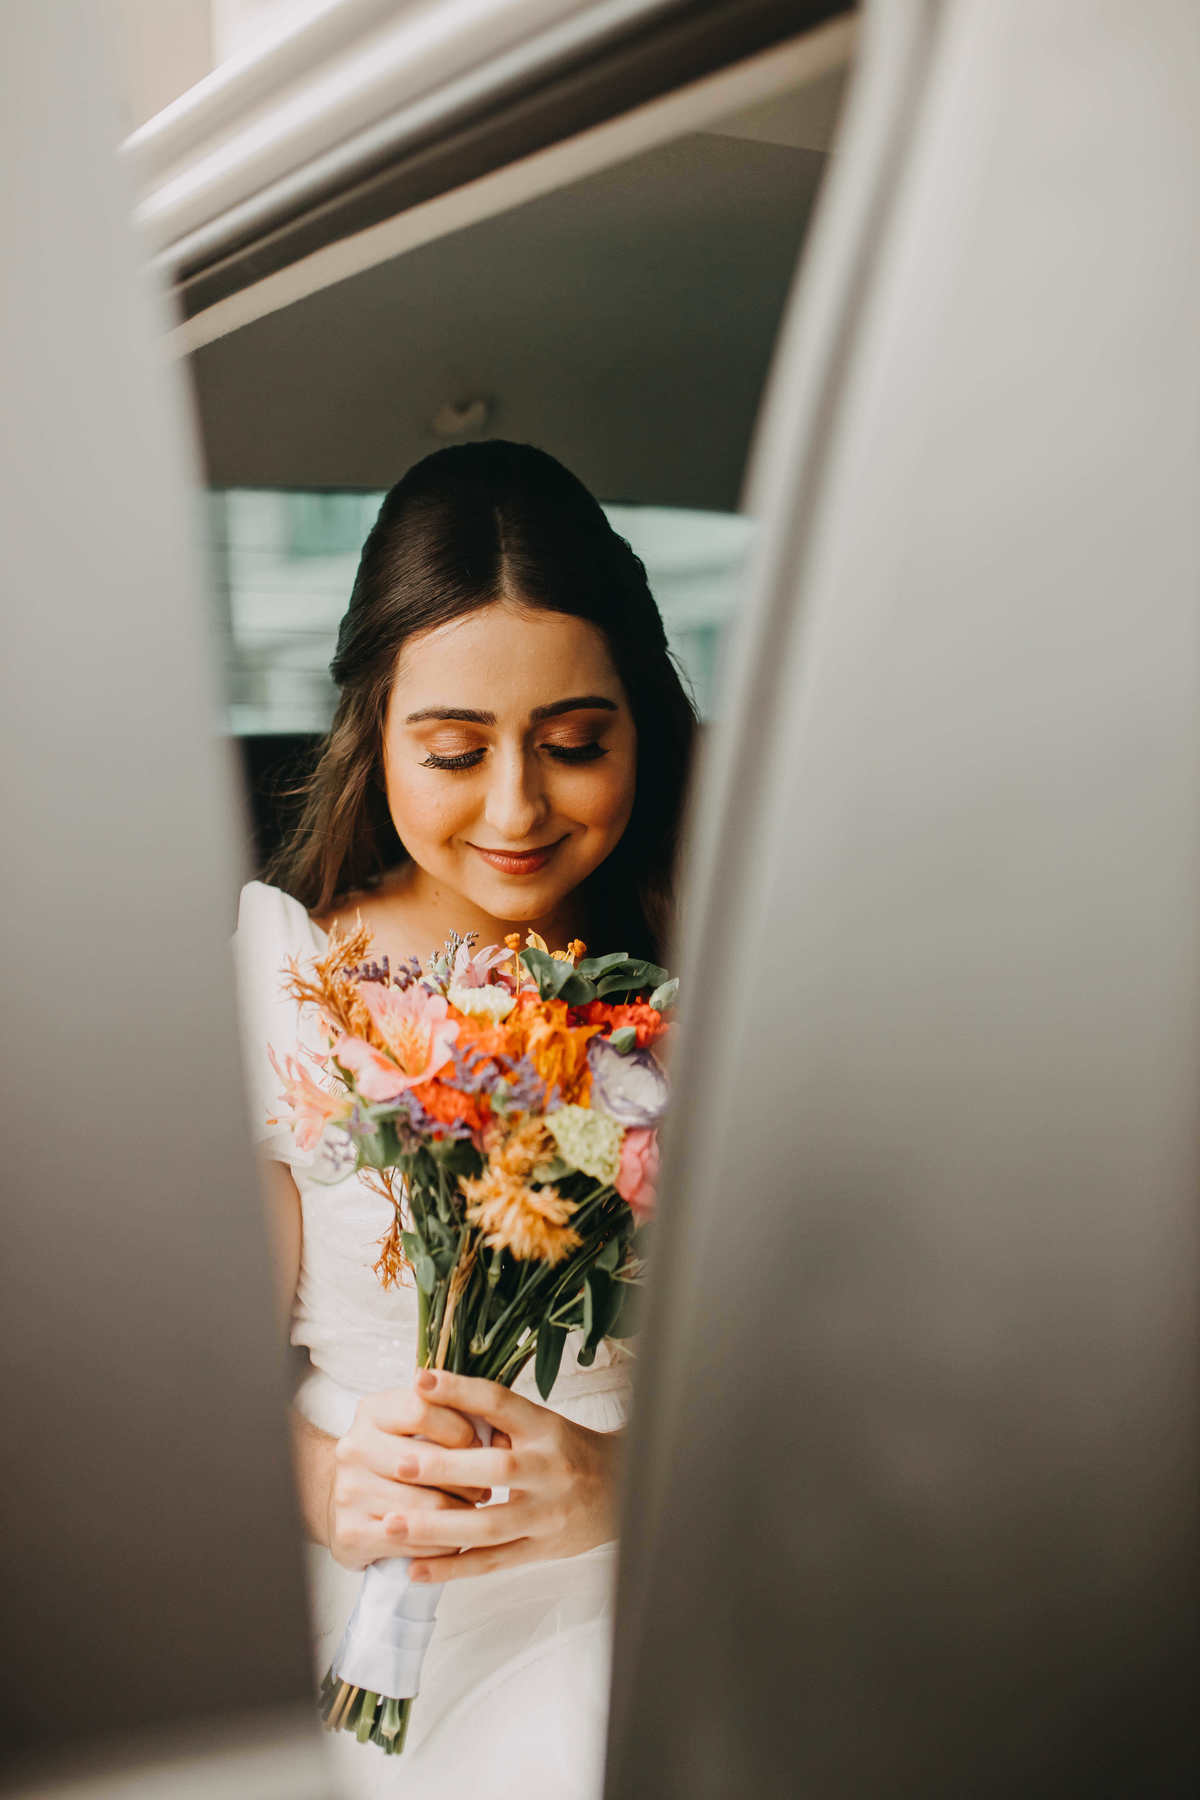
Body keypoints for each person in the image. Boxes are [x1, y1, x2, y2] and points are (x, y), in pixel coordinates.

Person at [232, 440, 696, 1797]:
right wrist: (334, 1487)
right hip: (375, 1601)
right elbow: (193, 1410)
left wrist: (628, 1487)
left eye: (572, 746)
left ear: (638, 729)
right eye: (452, 751)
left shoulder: (727, 971)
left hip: (662, 1573)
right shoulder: (295, 983)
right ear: (375, 736)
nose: (516, 810)